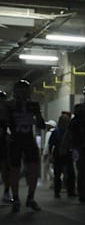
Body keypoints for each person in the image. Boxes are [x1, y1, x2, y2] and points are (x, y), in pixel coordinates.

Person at [2, 80, 45, 212]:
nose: (22, 93)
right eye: (20, 90)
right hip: (15, 140)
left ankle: (30, 198)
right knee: (14, 169)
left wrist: (35, 119)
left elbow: (41, 124)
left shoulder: (33, 105)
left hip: (28, 140)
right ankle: (15, 198)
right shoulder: (9, 106)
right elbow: (4, 122)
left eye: (24, 90)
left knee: (33, 169)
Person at [48, 114, 74, 198]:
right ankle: (59, 191)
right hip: (59, 153)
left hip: (65, 153)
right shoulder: (57, 131)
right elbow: (51, 144)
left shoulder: (63, 131)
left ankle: (69, 191)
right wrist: (50, 155)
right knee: (58, 174)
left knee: (69, 173)